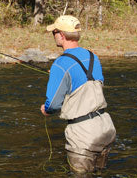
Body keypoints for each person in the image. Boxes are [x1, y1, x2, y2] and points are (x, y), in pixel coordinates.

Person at [40, 15, 116, 176]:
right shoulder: (92, 56)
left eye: (54, 31)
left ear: (61, 35)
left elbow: (53, 104)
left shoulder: (60, 64)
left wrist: (46, 110)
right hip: (106, 127)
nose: (53, 35)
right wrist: (65, 77)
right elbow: (94, 82)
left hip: (83, 134)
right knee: (99, 174)